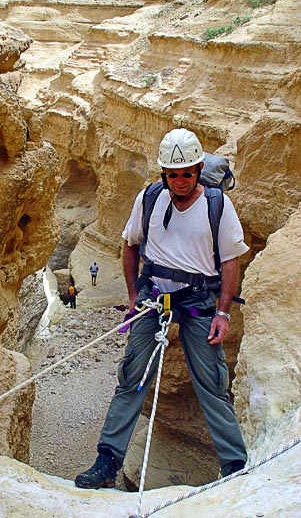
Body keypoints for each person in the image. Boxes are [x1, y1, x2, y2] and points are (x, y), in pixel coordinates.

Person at [75, 128, 248, 489]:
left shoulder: (217, 205)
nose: (180, 181)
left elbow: (231, 260)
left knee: (211, 383)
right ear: (163, 174)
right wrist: (134, 294)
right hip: (154, 298)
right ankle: (107, 462)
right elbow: (130, 245)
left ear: (199, 169)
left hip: (199, 302)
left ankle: (235, 466)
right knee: (133, 378)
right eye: (173, 174)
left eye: (187, 173)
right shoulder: (150, 199)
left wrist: (223, 312)